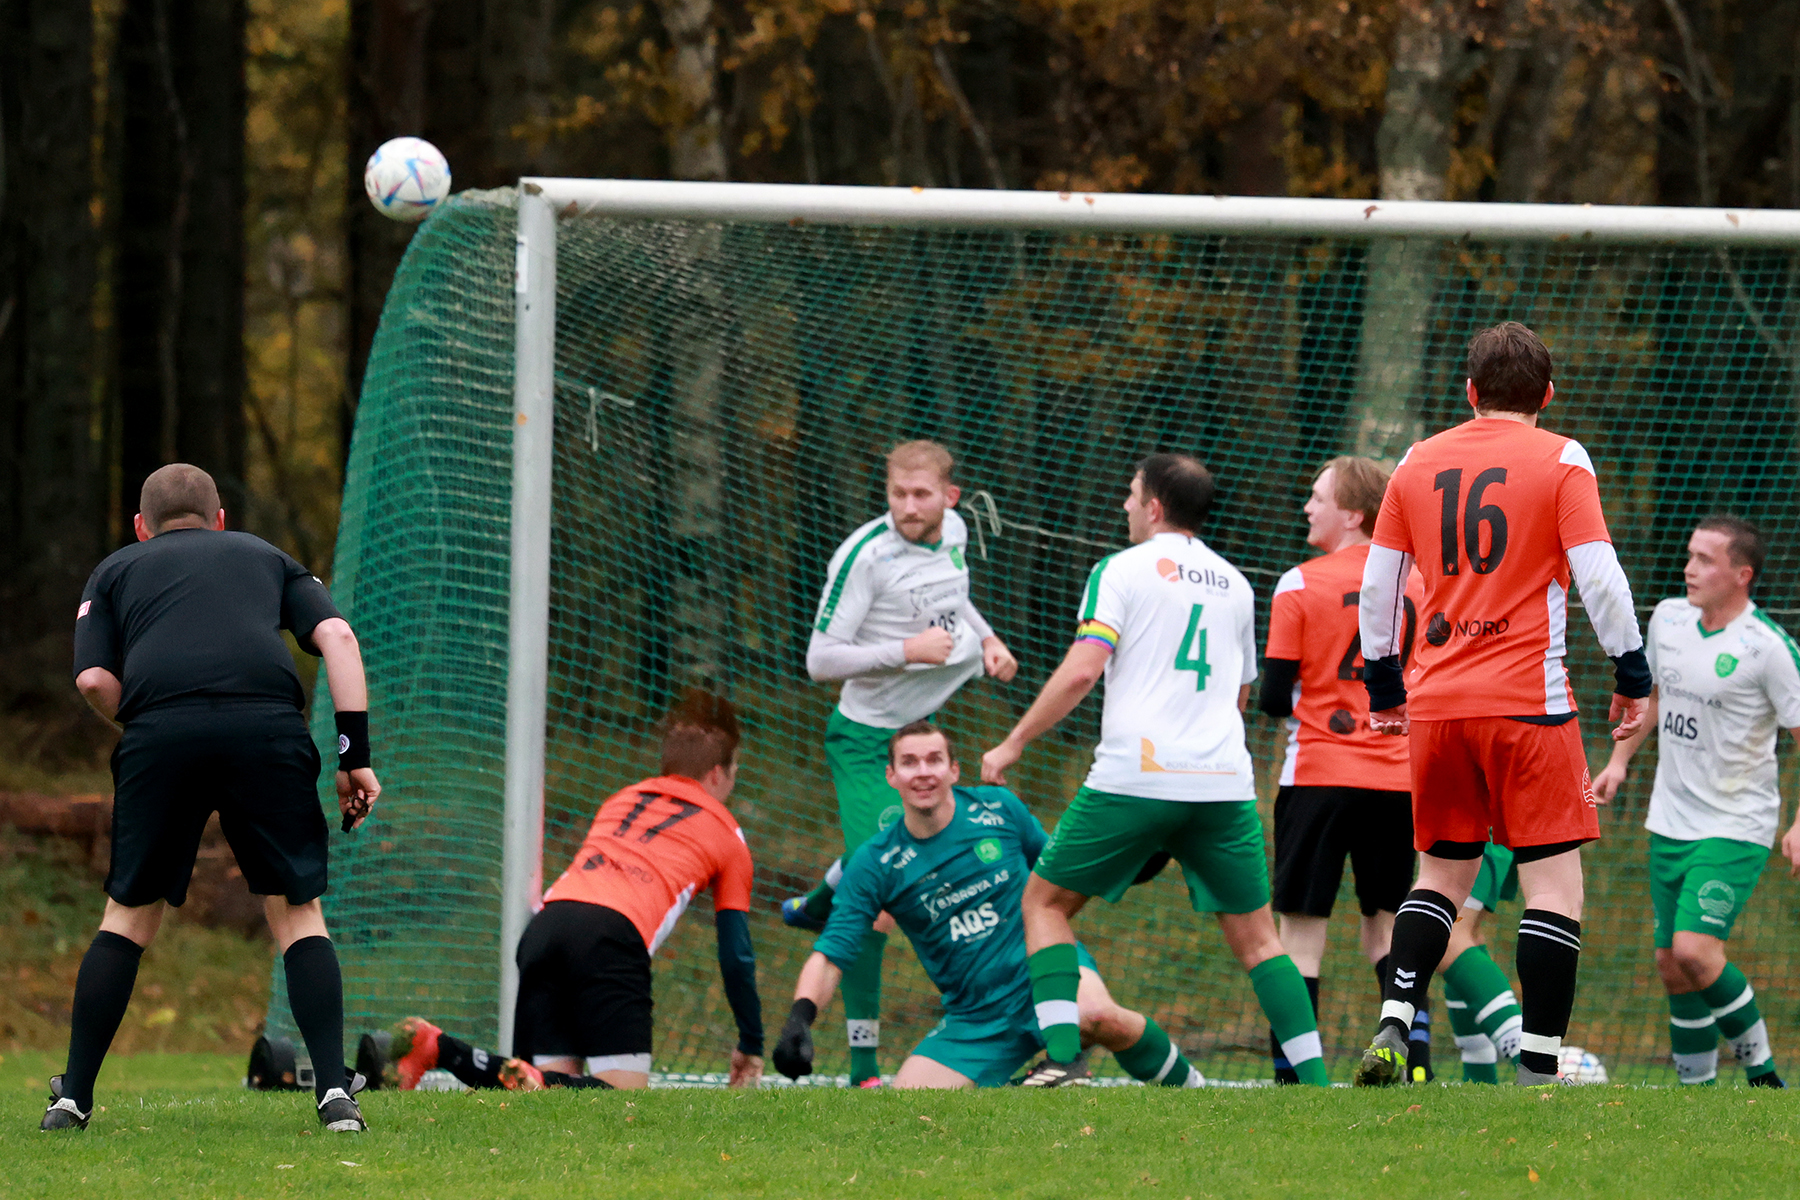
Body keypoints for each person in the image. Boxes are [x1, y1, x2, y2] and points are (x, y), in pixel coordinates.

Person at [1352, 321, 1651, 1087]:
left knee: (1439, 877)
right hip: (1528, 704)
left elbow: (1381, 583)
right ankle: (1540, 1071)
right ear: (1547, 396)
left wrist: (1385, 684)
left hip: (1439, 705)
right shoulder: (1561, 458)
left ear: (1469, 393)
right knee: (1554, 886)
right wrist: (1632, 671)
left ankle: (1395, 1016)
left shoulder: (1416, 462)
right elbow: (1600, 576)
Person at [44, 464, 380, 1133]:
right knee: (296, 912)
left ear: (143, 527)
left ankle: (71, 1099)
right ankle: (334, 1097)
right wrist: (354, 758)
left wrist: (149, 723)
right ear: (220, 518)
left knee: (128, 917)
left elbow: (91, 679)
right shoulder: (267, 556)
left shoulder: (115, 571)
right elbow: (338, 638)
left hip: (159, 730)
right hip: (266, 728)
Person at [981, 454, 1330, 1086]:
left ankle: (1062, 1065)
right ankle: (1317, 1086)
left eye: (1130, 493)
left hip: (1135, 778)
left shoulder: (1119, 570)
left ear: (1154, 507)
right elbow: (1240, 695)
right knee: (1259, 942)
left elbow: (1085, 667)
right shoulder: (1235, 582)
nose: (1123, 504)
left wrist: (1013, 743)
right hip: (1223, 784)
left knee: (1044, 904)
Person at [772, 722, 1202, 1089]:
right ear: (891, 776)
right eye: (910, 762)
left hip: (1044, 971)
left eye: (934, 760)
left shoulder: (999, 810)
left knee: (1098, 1015)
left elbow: (1061, 876)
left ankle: (1198, 1093)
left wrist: (1127, 865)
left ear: (953, 769)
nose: (924, 772)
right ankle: (1034, 1088)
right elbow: (833, 954)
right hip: (975, 1016)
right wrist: (799, 1018)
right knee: (908, 1100)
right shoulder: (874, 862)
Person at [384, 693, 764, 1092]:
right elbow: (736, 954)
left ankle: (436, 1047)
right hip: (610, 936)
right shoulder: (727, 832)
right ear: (718, 774)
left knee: (547, 1095)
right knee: (622, 1099)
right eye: (735, 771)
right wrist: (751, 1043)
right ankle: (450, 1051)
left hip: (548, 926)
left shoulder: (621, 799)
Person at [783, 440, 1017, 1085]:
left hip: (924, 711)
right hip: (867, 741)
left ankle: (821, 896)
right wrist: (905, 649)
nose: (908, 508)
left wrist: (990, 639)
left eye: (921, 496)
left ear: (949, 497)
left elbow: (955, 596)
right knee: (882, 897)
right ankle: (864, 1068)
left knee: (874, 873)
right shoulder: (864, 557)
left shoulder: (957, 532)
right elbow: (819, 660)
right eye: (897, 495)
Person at [1593, 516, 1800, 1087]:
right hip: (1670, 818)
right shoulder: (1669, 619)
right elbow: (1653, 695)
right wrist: (1619, 762)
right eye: (1688, 556)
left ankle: (1763, 1076)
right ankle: (1697, 1095)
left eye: (1705, 560)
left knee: (1695, 948)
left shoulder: (1768, 649)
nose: (1689, 568)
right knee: (1670, 963)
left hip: (1736, 822)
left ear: (1742, 574)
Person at [1260, 455, 1427, 1082]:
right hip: (1397, 782)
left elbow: (1276, 698)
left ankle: (1295, 1078)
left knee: (1300, 936)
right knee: (1388, 934)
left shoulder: (1300, 583)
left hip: (1319, 778)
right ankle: (1415, 1068)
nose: (1308, 507)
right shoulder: (1422, 583)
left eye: (1318, 496)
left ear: (1353, 514)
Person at [1438, 844, 1526, 1083]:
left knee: (1448, 939)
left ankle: (1528, 1059)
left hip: (1474, 828)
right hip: (1492, 830)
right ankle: (1480, 1078)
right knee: (1467, 937)